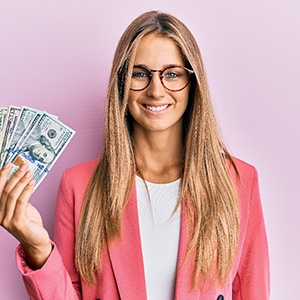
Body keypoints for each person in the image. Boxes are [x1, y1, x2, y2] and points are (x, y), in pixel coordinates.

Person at [0, 10, 270, 300]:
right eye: (139, 74)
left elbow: (253, 292)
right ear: (121, 84)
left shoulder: (240, 181)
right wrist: (38, 248)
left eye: (172, 74)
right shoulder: (78, 186)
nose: (156, 90)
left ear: (193, 83)